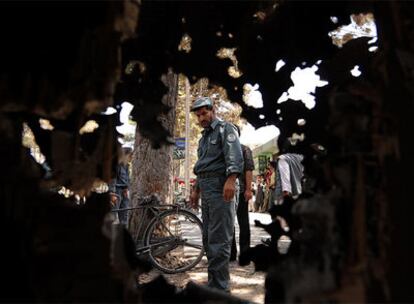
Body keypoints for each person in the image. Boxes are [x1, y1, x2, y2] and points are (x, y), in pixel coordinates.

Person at [189, 97, 243, 292]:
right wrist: (196, 189)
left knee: (219, 238)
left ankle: (220, 287)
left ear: (212, 110)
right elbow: (202, 166)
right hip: (206, 185)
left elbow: (235, 156)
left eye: (204, 113)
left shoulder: (225, 129)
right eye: (198, 115)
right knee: (208, 238)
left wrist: (231, 180)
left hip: (221, 185)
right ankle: (214, 282)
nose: (201, 118)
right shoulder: (204, 138)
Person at [230, 126, 255, 261]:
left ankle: (244, 252)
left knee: (243, 221)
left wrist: (248, 189)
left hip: (241, 191)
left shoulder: (244, 149)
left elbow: (249, 170)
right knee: (229, 223)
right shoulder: (225, 149)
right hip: (228, 191)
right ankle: (232, 253)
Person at [109, 147, 133, 226]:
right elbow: (112, 178)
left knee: (124, 214)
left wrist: (127, 188)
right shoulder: (116, 164)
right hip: (117, 191)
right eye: (130, 155)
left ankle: (123, 234)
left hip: (124, 191)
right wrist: (112, 193)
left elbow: (127, 178)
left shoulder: (126, 165)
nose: (131, 158)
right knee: (113, 214)